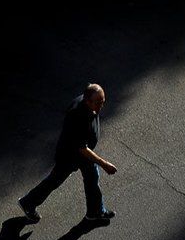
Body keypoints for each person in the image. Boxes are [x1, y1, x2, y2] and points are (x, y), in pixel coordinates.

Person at [18, 84, 117, 223]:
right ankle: (28, 202)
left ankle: (95, 211)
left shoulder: (89, 103)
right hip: (70, 156)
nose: (101, 106)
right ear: (87, 101)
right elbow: (82, 148)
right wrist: (104, 164)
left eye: (103, 101)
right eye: (98, 103)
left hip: (82, 154)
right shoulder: (78, 116)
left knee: (92, 177)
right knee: (55, 180)